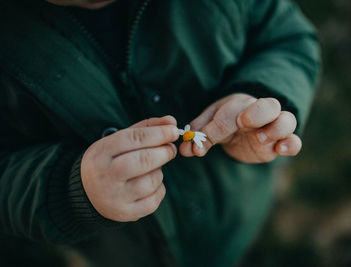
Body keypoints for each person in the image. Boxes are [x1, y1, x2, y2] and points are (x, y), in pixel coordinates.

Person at [0, 0, 320, 266]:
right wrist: (72, 190)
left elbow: (287, 37)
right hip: (130, 251)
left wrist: (258, 93)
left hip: (234, 210)